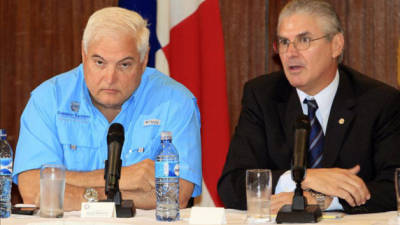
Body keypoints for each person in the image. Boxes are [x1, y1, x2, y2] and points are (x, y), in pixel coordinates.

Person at [218, 0, 400, 214]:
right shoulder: (262, 96)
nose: (290, 53)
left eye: (304, 40)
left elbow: (393, 186)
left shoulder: (379, 101)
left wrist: (320, 199)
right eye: (284, 42)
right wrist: (304, 178)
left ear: (336, 45)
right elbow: (232, 185)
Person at [12, 7, 202, 211]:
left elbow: (176, 196)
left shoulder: (176, 102)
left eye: (124, 65)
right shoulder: (48, 99)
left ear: (144, 60)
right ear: (84, 56)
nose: (110, 78)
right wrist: (125, 178)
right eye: (100, 62)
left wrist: (74, 195)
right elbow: (33, 190)